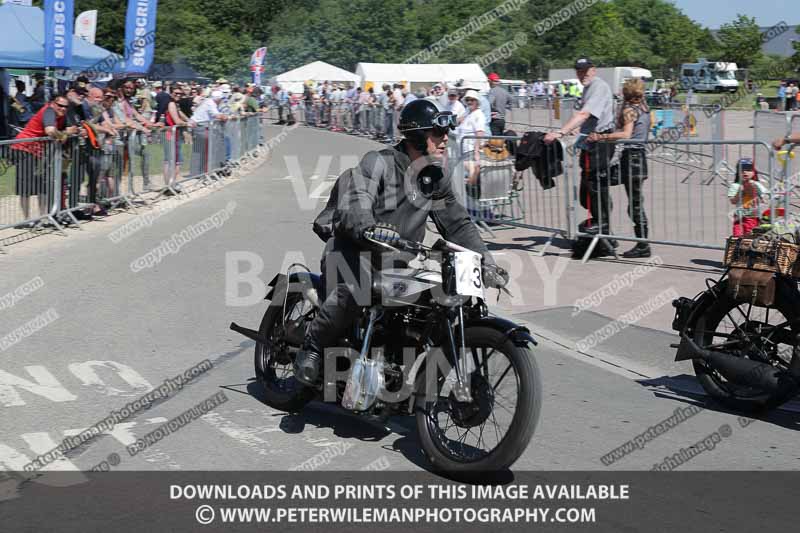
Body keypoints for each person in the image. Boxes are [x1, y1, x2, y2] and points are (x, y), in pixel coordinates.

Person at [293, 99, 508, 386]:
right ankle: (313, 347)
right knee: (356, 289)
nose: (445, 139)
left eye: (445, 133)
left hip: (397, 263)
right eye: (436, 133)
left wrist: (487, 261)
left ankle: (396, 363)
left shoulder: (435, 178)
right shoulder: (378, 162)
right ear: (418, 135)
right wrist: (367, 227)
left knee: (434, 299)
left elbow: (457, 225)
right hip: (351, 252)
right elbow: (357, 201)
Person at [544, 57, 615, 243]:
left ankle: (604, 227)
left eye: (585, 70)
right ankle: (602, 224)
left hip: (600, 141)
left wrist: (561, 132)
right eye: (578, 71)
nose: (581, 74)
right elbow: (584, 117)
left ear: (593, 70)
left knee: (595, 185)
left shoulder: (598, 86)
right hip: (590, 141)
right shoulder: (588, 88)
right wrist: (575, 130)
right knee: (588, 190)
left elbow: (584, 114)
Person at [588, 78, 651, 258]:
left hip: (631, 159)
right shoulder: (645, 109)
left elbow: (626, 134)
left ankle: (609, 232)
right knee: (635, 202)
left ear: (626, 93)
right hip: (639, 158)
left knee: (599, 181)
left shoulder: (630, 110)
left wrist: (601, 137)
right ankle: (637, 242)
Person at [11, 93, 78, 222]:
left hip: (39, 152)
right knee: (26, 187)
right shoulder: (49, 111)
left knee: (42, 185)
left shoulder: (61, 116)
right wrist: (63, 135)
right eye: (60, 105)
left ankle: (43, 218)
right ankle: (27, 220)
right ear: (53, 103)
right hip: (24, 149)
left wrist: (70, 132)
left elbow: (71, 129)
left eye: (65, 106)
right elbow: (50, 130)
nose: (63, 108)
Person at [728, 158, 768, 237]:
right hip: (738, 217)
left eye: (748, 169)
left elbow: (765, 198)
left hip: (752, 217)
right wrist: (740, 192)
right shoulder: (735, 185)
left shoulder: (756, 184)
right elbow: (733, 201)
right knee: (737, 237)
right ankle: (737, 249)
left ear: (753, 173)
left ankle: (747, 249)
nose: (745, 172)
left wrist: (761, 196)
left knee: (749, 237)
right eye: (742, 170)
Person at [455, 89, 486, 185]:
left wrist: (476, 152)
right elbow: (458, 121)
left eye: (472, 100)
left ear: (477, 101)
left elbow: (479, 134)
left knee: (471, 172)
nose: (469, 102)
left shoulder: (479, 115)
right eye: (468, 100)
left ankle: (471, 190)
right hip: (462, 149)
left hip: (470, 150)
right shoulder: (468, 112)